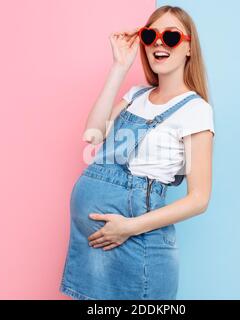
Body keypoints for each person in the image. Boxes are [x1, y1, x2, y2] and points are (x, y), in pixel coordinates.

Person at [60, 5, 215, 300]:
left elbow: (199, 199)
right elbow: (93, 133)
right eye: (149, 35)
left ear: (189, 48)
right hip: (93, 246)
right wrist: (119, 66)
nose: (158, 42)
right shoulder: (137, 96)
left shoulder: (196, 111)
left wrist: (128, 228)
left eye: (170, 37)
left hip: (139, 245)